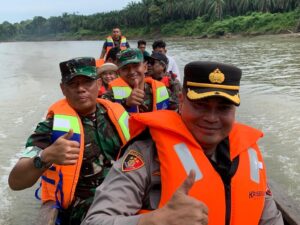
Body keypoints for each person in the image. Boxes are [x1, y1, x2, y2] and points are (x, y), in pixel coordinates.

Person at [82, 61, 284, 225]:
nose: (211, 118)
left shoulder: (247, 154)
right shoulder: (146, 153)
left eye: (223, 108)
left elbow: (269, 217)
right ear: (181, 100)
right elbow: (94, 220)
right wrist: (152, 221)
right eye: (200, 105)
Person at [8, 57, 130, 225]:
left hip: (127, 195)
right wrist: (45, 157)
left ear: (99, 84)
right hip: (84, 210)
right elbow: (16, 181)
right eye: (73, 84)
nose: (80, 89)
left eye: (87, 82)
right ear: (63, 89)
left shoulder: (117, 113)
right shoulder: (51, 127)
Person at [102, 48, 171, 113]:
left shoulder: (163, 91)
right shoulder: (110, 96)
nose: (131, 71)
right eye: (125, 68)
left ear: (145, 67)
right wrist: (126, 103)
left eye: (136, 66)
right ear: (119, 73)